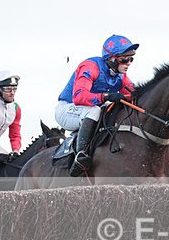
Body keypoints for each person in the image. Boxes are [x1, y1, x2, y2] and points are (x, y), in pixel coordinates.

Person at [55, 34, 138, 176]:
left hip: (90, 110)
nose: (128, 63)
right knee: (94, 111)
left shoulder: (120, 75)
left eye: (131, 59)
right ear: (111, 58)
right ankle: (80, 156)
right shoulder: (90, 67)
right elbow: (79, 97)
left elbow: (135, 95)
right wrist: (106, 96)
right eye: (124, 59)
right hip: (67, 109)